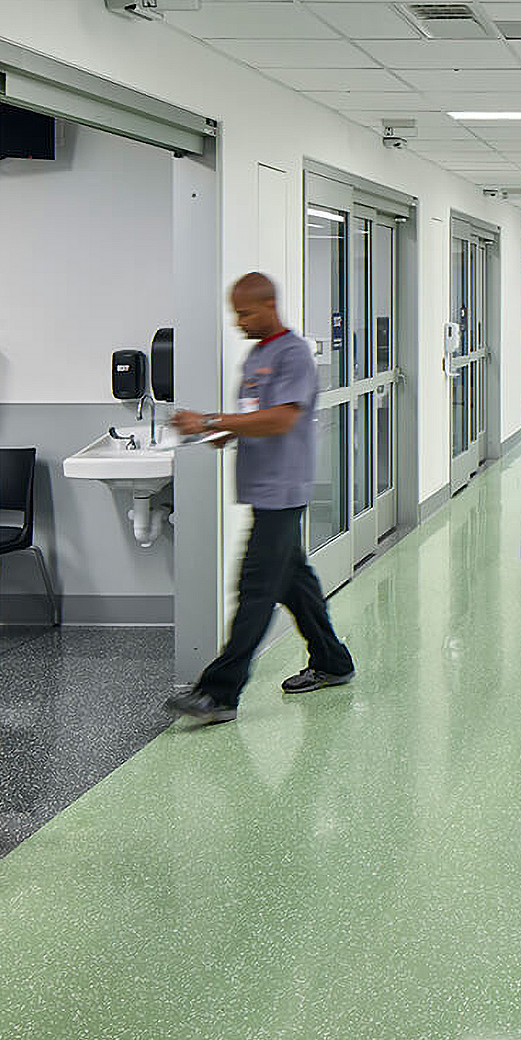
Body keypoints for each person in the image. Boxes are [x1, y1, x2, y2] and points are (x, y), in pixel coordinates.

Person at [164, 272, 356, 724]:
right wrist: (222, 433)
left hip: (282, 490)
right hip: (262, 488)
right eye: (235, 312)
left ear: (269, 305)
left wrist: (212, 420)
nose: (238, 321)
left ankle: (219, 693)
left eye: (245, 312)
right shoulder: (256, 356)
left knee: (254, 589)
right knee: (295, 584)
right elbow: (255, 416)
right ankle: (333, 662)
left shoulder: (293, 355)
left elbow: (283, 419)